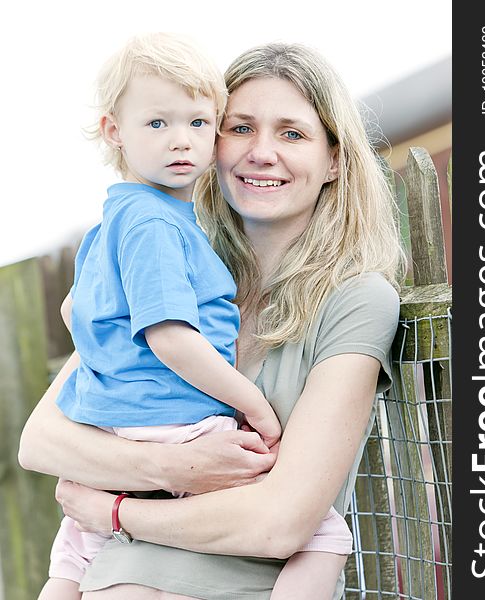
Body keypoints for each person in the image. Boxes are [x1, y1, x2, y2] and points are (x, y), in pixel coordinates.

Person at [19, 41, 404, 600]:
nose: (262, 152)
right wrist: (176, 468)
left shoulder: (355, 300)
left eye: (292, 134)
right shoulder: (164, 263)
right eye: (240, 128)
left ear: (336, 159)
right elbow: (42, 441)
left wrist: (117, 510)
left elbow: (280, 523)